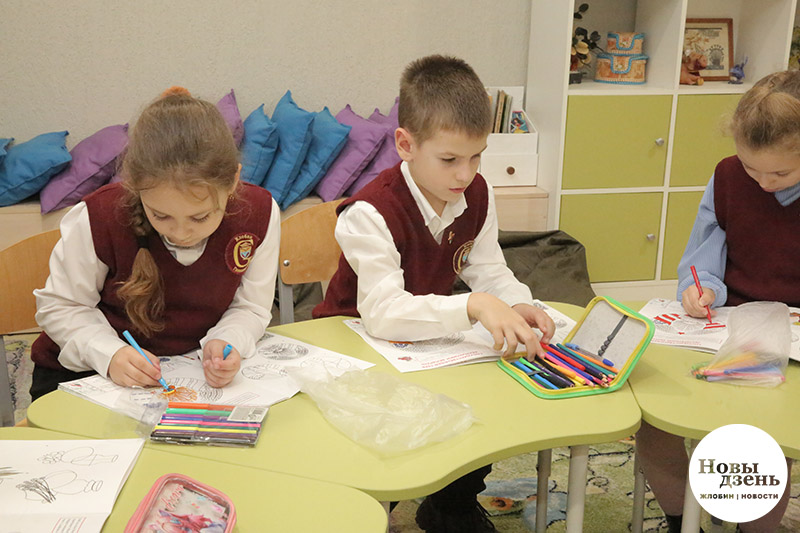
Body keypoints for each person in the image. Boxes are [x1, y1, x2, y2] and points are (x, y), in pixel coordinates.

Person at [313, 55, 555, 533]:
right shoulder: (370, 212)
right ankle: (369, 510)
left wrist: (518, 303)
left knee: (486, 399)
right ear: (406, 145)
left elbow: (489, 269)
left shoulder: (477, 193)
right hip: (353, 346)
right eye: (449, 159)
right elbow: (383, 314)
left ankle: (452, 504)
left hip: (423, 345)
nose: (465, 174)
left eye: (477, 156)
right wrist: (474, 304)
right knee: (376, 459)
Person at [30, 87, 280, 400]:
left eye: (200, 217)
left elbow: (251, 307)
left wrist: (228, 340)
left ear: (232, 181)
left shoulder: (258, 213)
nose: (181, 233)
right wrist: (109, 354)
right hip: (84, 373)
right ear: (135, 185)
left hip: (191, 371)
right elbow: (62, 306)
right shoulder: (99, 216)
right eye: (160, 216)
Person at [638, 70, 800, 533]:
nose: (763, 183)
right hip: (728, 324)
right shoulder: (728, 176)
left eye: (780, 174)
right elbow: (704, 253)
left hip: (790, 340)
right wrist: (702, 288)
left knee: (763, 447)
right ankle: (680, 520)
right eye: (752, 168)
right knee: (657, 420)